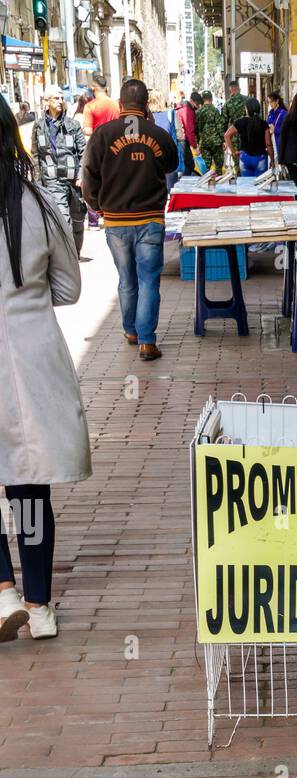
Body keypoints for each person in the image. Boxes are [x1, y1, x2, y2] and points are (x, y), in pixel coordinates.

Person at [0, 94, 91, 642]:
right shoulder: (35, 203)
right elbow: (71, 287)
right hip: (32, 358)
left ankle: (2, 590)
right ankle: (38, 606)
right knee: (30, 486)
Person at [81, 77, 178, 361]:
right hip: (150, 220)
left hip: (116, 221)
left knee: (127, 279)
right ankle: (147, 342)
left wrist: (97, 206)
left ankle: (131, 331)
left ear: (121, 104)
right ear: (147, 105)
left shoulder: (102, 134)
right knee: (149, 280)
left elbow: (88, 177)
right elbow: (172, 164)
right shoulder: (158, 133)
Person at [30, 86, 87, 257]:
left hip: (73, 182)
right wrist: (37, 181)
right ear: (46, 103)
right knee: (63, 217)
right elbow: (35, 155)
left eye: (61, 98)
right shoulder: (38, 126)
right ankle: (66, 257)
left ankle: (74, 253)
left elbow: (84, 152)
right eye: (55, 98)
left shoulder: (73, 125)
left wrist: (81, 174)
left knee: (77, 220)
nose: (60, 101)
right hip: (52, 181)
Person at [224, 96, 271, 178]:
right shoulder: (264, 124)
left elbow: (227, 136)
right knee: (260, 187)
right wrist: (273, 160)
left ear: (247, 109)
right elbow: (268, 144)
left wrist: (234, 152)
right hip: (260, 158)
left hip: (245, 157)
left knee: (246, 187)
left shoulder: (240, 122)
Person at [148, 90, 180, 192]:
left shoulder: (145, 116)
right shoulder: (170, 113)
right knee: (169, 190)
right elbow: (179, 135)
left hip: (150, 157)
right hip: (167, 156)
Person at [195, 90, 224, 175]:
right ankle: (219, 184)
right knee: (218, 166)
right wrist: (223, 140)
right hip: (216, 142)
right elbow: (220, 126)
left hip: (205, 143)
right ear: (211, 98)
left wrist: (198, 141)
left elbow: (196, 129)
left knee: (206, 167)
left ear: (202, 99)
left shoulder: (198, 112)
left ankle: (207, 184)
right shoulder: (215, 110)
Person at [174, 90, 201, 175]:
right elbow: (189, 130)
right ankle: (185, 184)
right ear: (193, 101)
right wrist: (194, 146)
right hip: (183, 140)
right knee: (189, 165)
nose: (198, 107)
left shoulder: (181, 108)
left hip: (179, 139)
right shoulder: (187, 111)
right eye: (197, 104)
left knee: (184, 164)